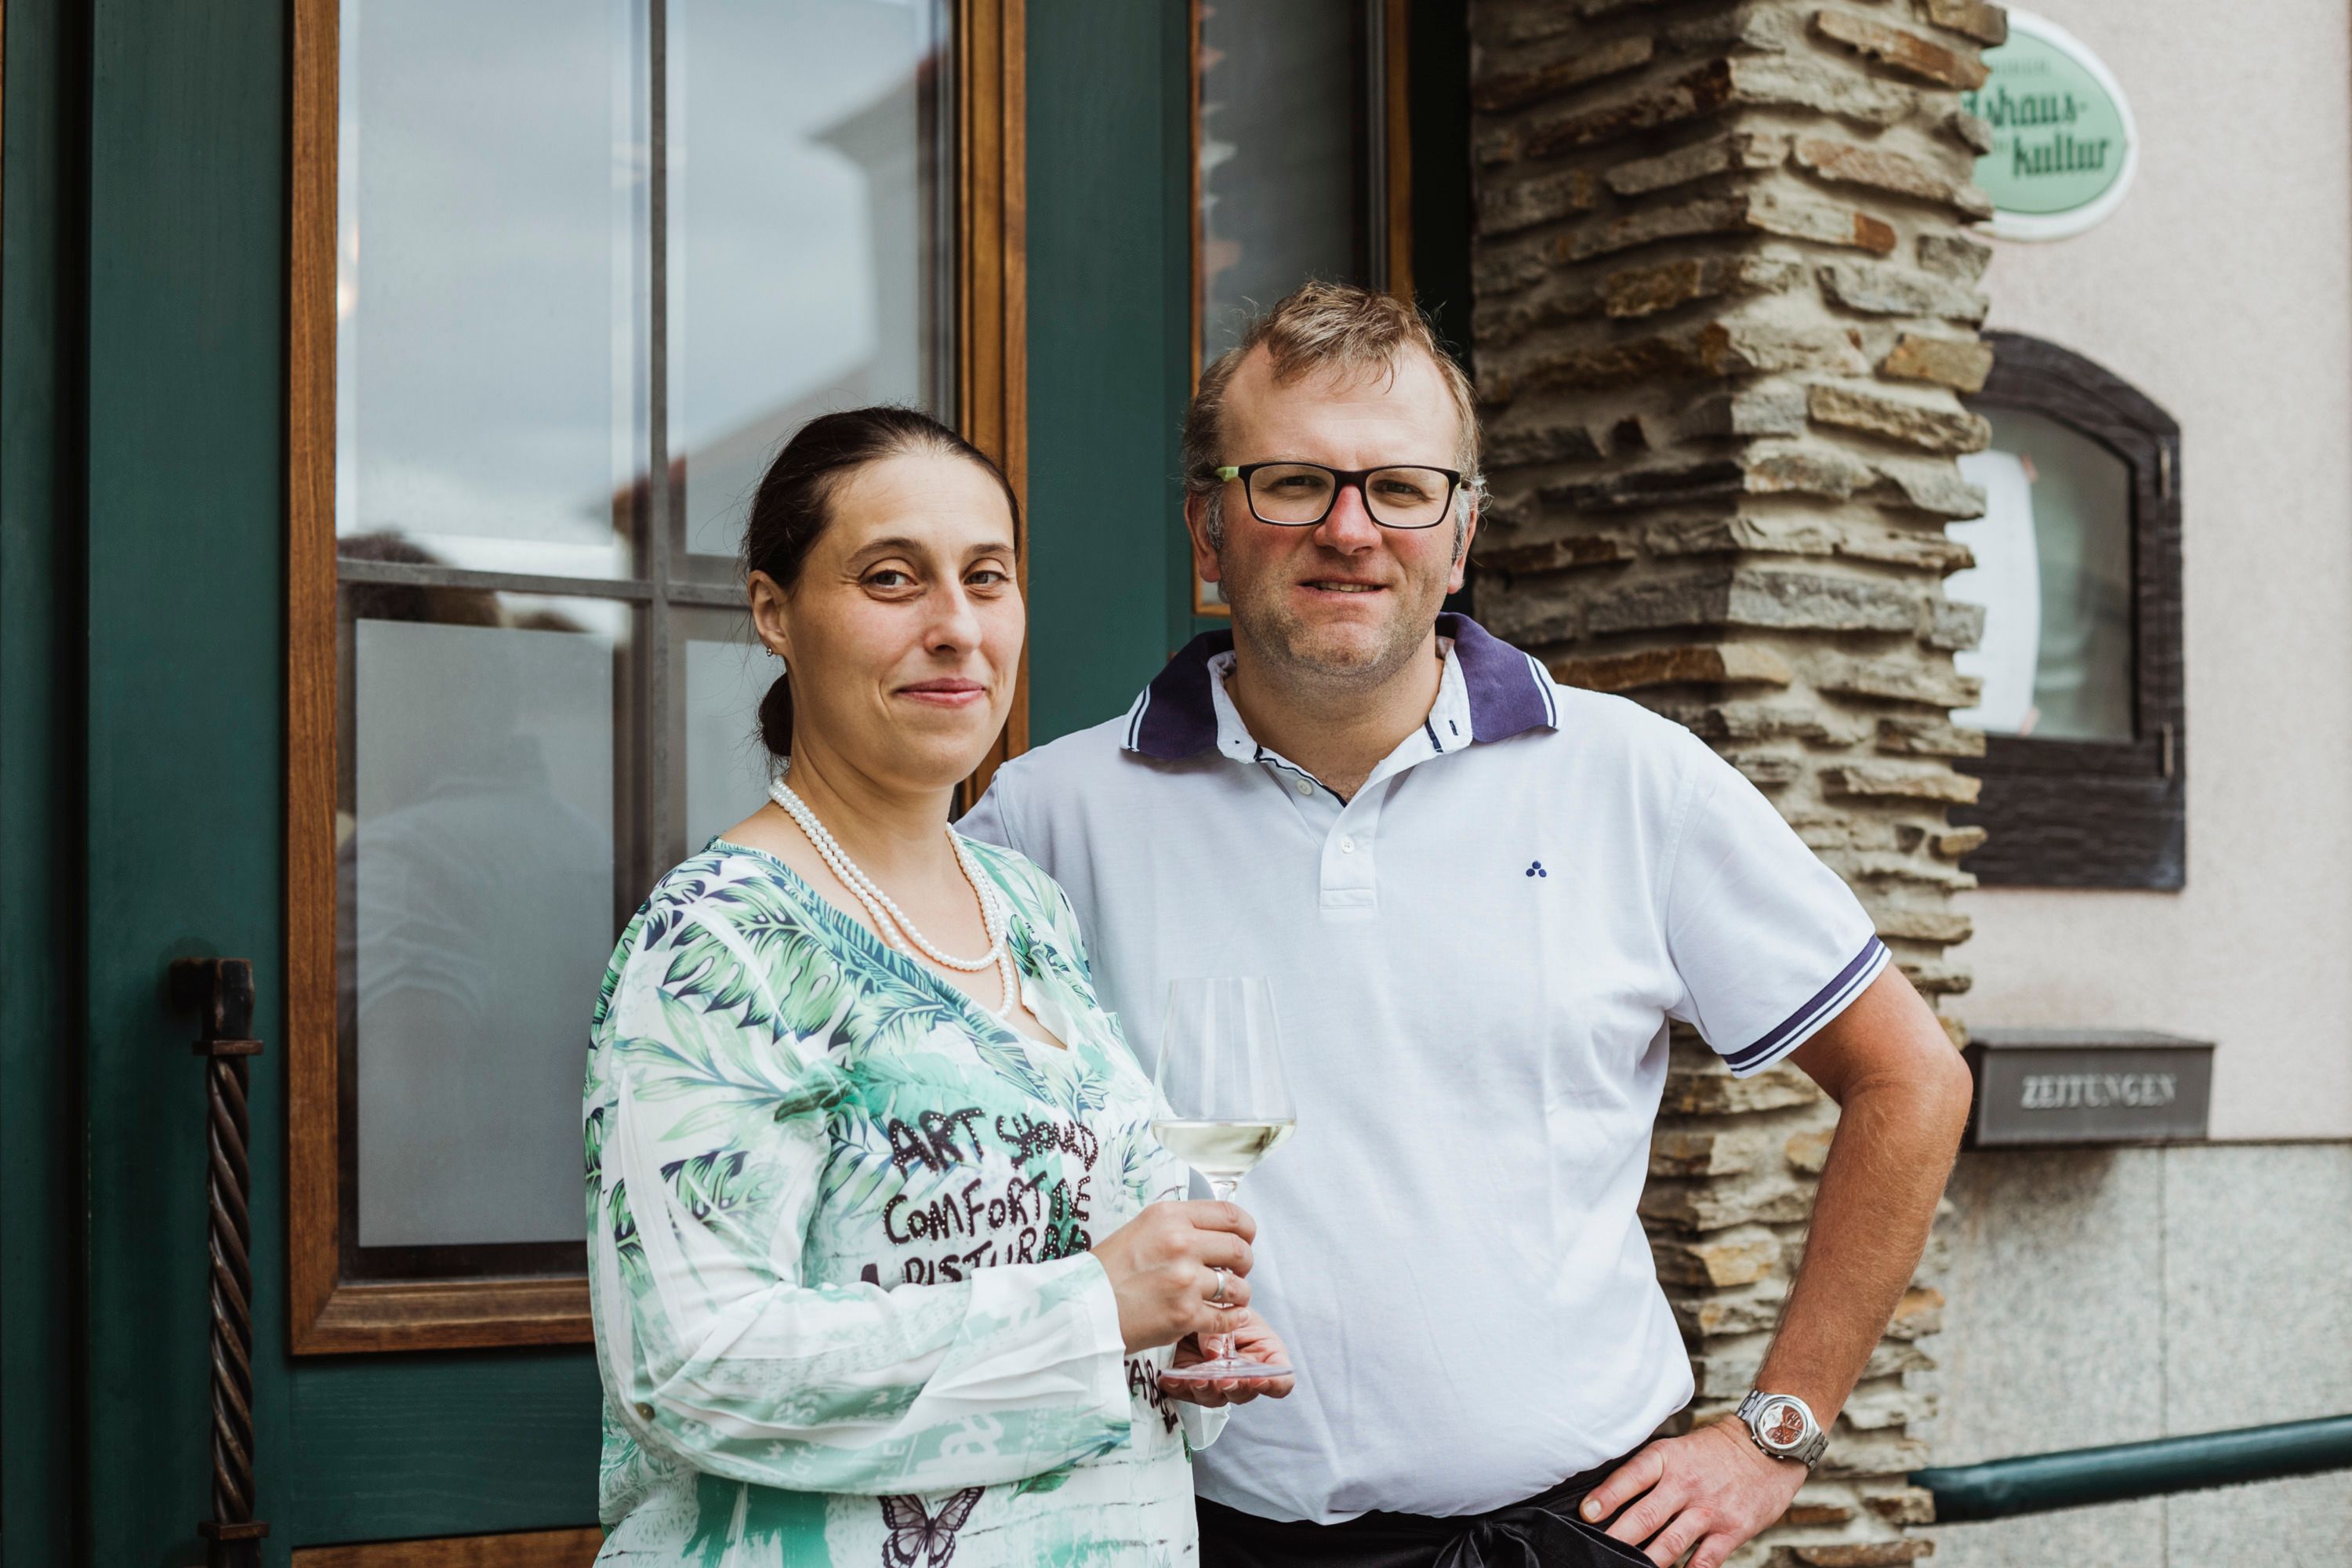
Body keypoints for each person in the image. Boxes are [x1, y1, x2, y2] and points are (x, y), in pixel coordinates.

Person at [960, 285, 1975, 1568]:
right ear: (1208, 534)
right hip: (1201, 1537)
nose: (1349, 530)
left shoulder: (1632, 777)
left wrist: (1776, 1433)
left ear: (1462, 534)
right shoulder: (1046, 821)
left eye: (1400, 488)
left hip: (1581, 1536)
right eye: (1290, 484)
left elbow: (1911, 1079)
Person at [583, 406, 1293, 1566]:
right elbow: (693, 1369)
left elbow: (1089, 1263)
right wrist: (1094, 1309)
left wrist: (1178, 1341)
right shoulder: (720, 940)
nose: (956, 628)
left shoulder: (1026, 908)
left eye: (987, 578)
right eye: (892, 579)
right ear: (774, 611)